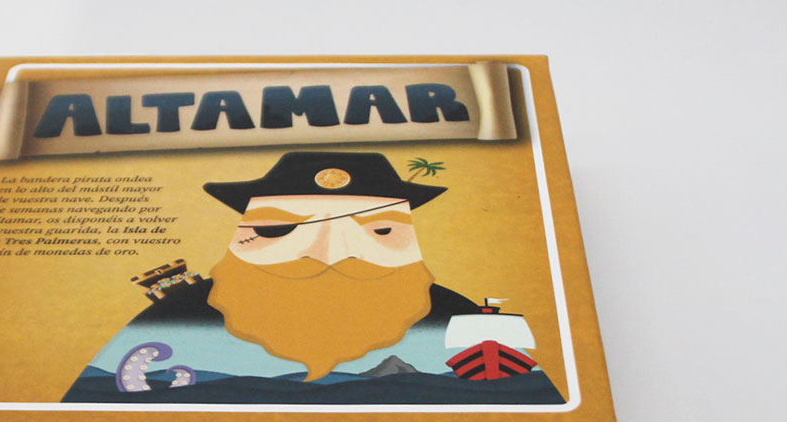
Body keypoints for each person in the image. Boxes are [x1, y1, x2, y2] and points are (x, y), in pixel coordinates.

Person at [61, 152, 562, 404]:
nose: (327, 252)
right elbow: (97, 403)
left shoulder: (457, 318)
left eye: (380, 230)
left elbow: (521, 403)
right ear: (241, 234)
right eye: (279, 229)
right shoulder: (179, 314)